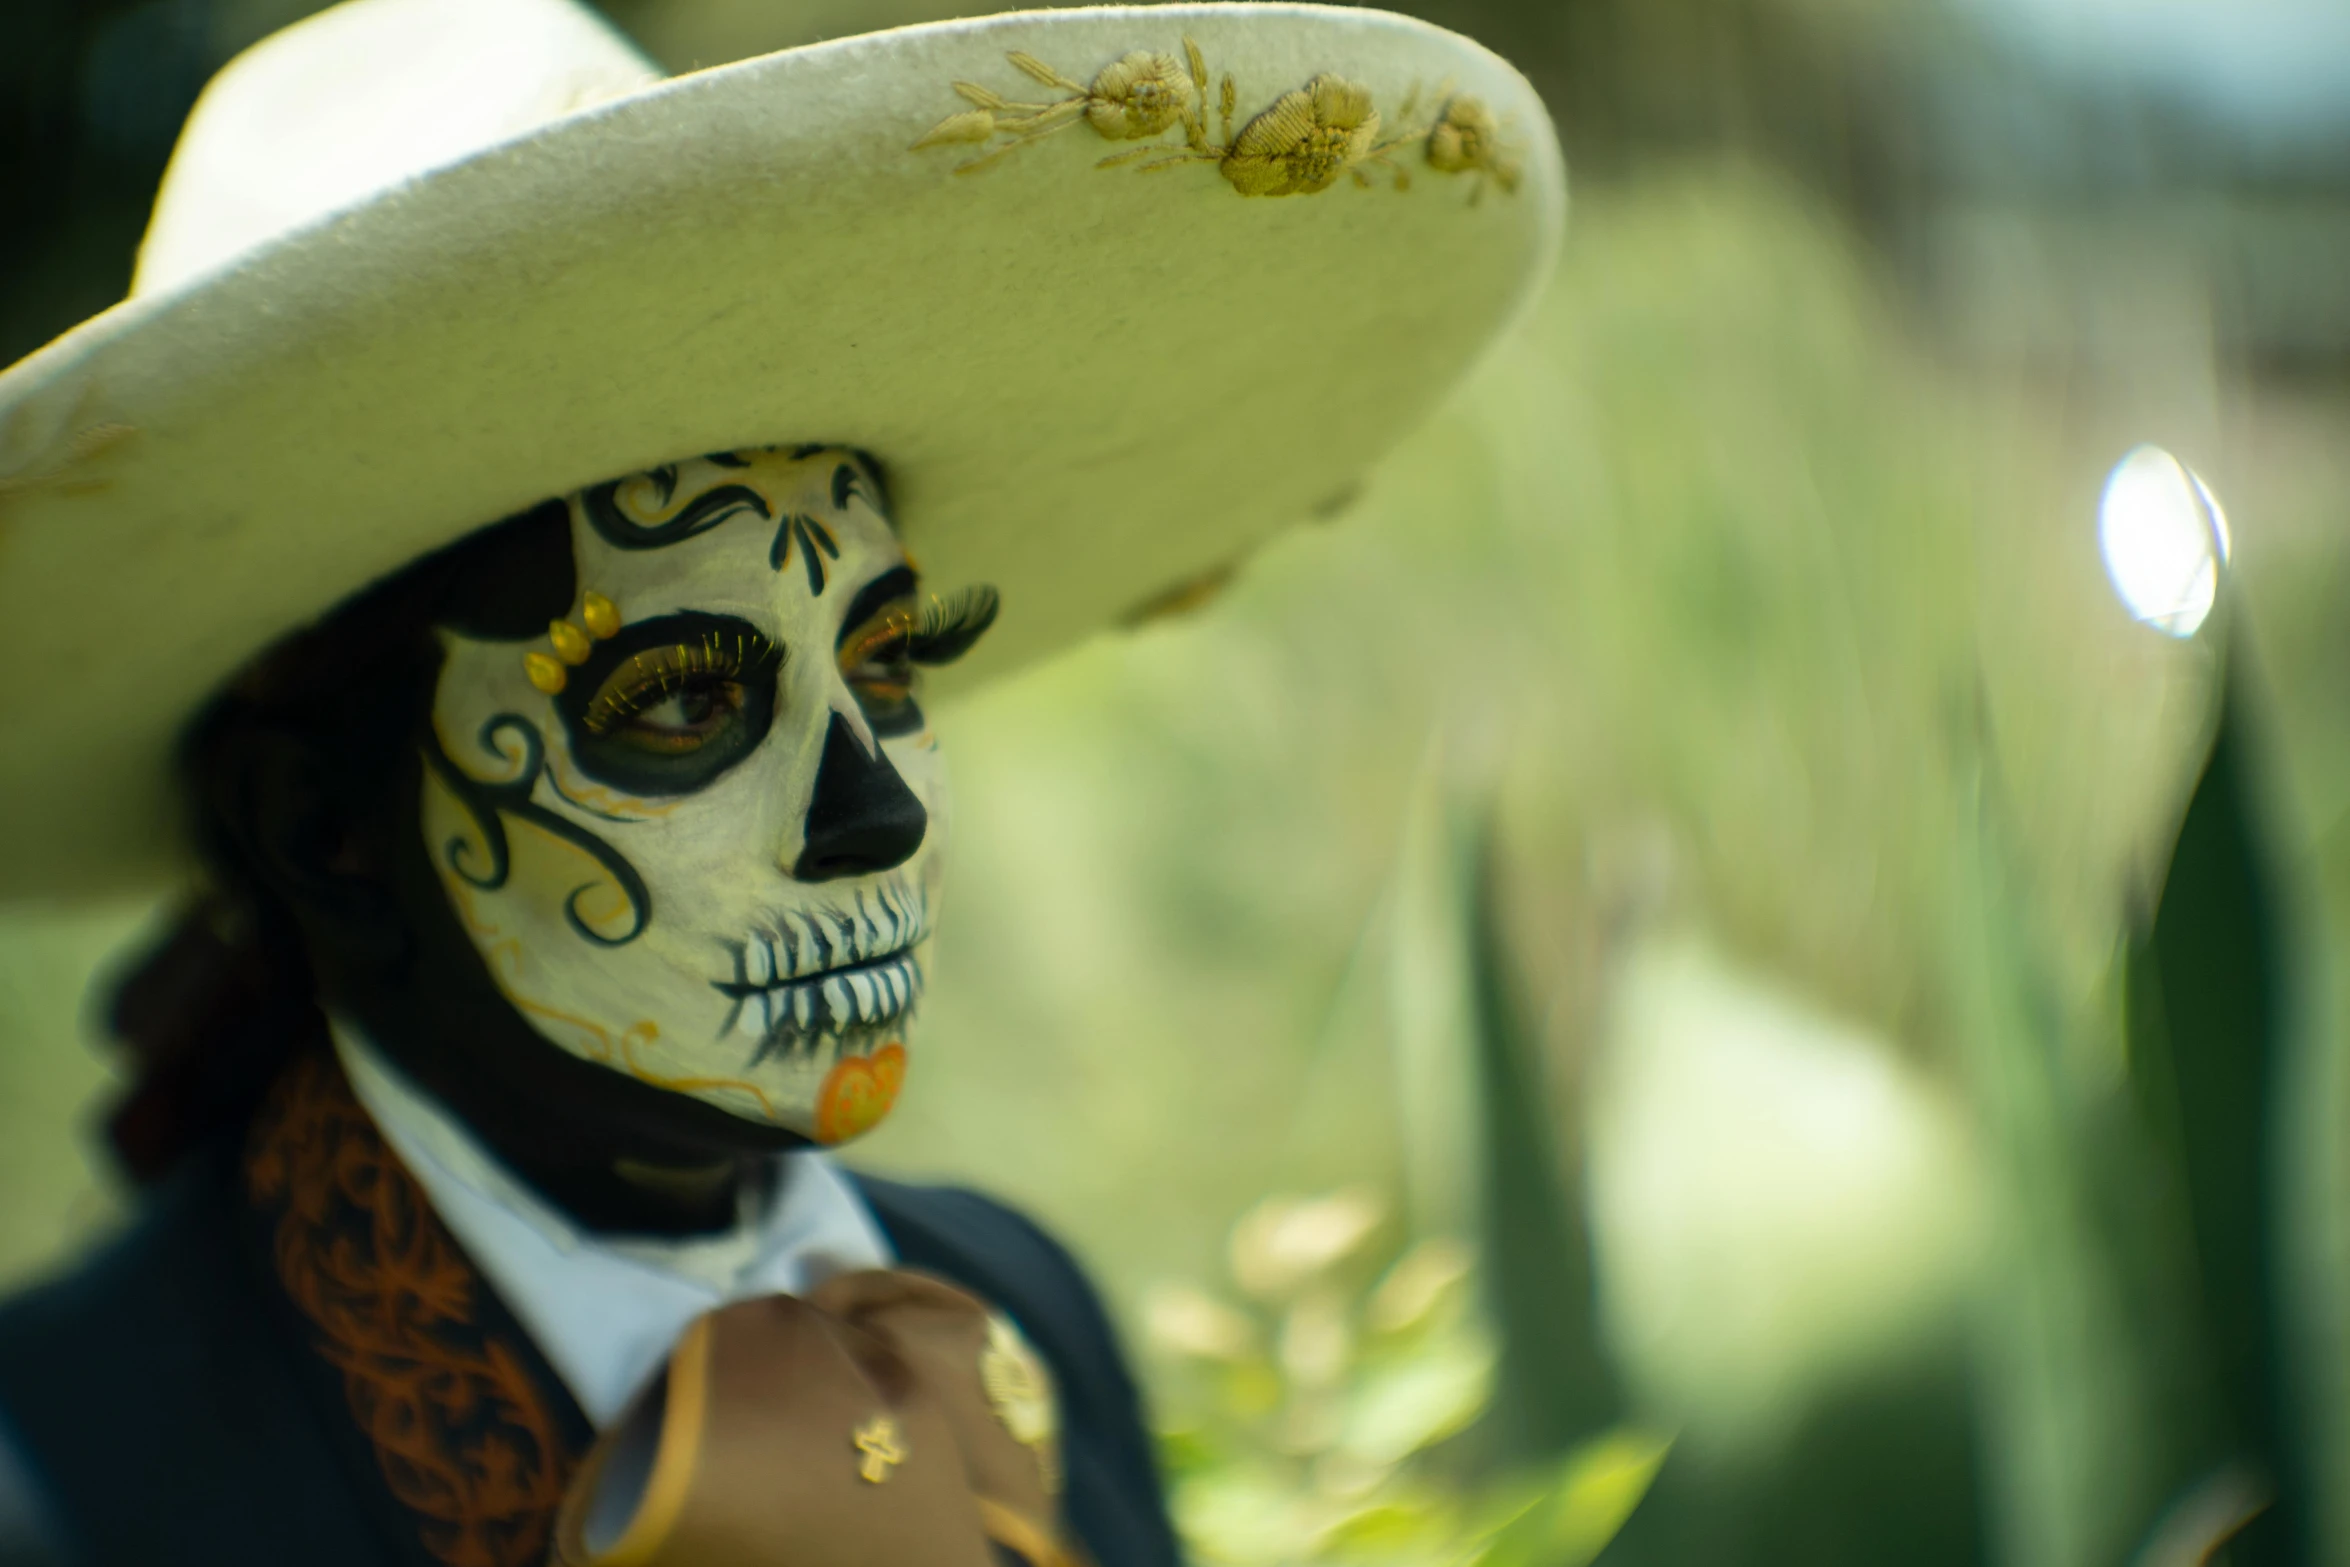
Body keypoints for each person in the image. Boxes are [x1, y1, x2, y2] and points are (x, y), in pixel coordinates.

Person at [0, 0, 1561, 1561]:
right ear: (326, 834)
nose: (872, 806)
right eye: (680, 698)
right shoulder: (77, 1475)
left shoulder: (1011, 1312)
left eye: (886, 660)